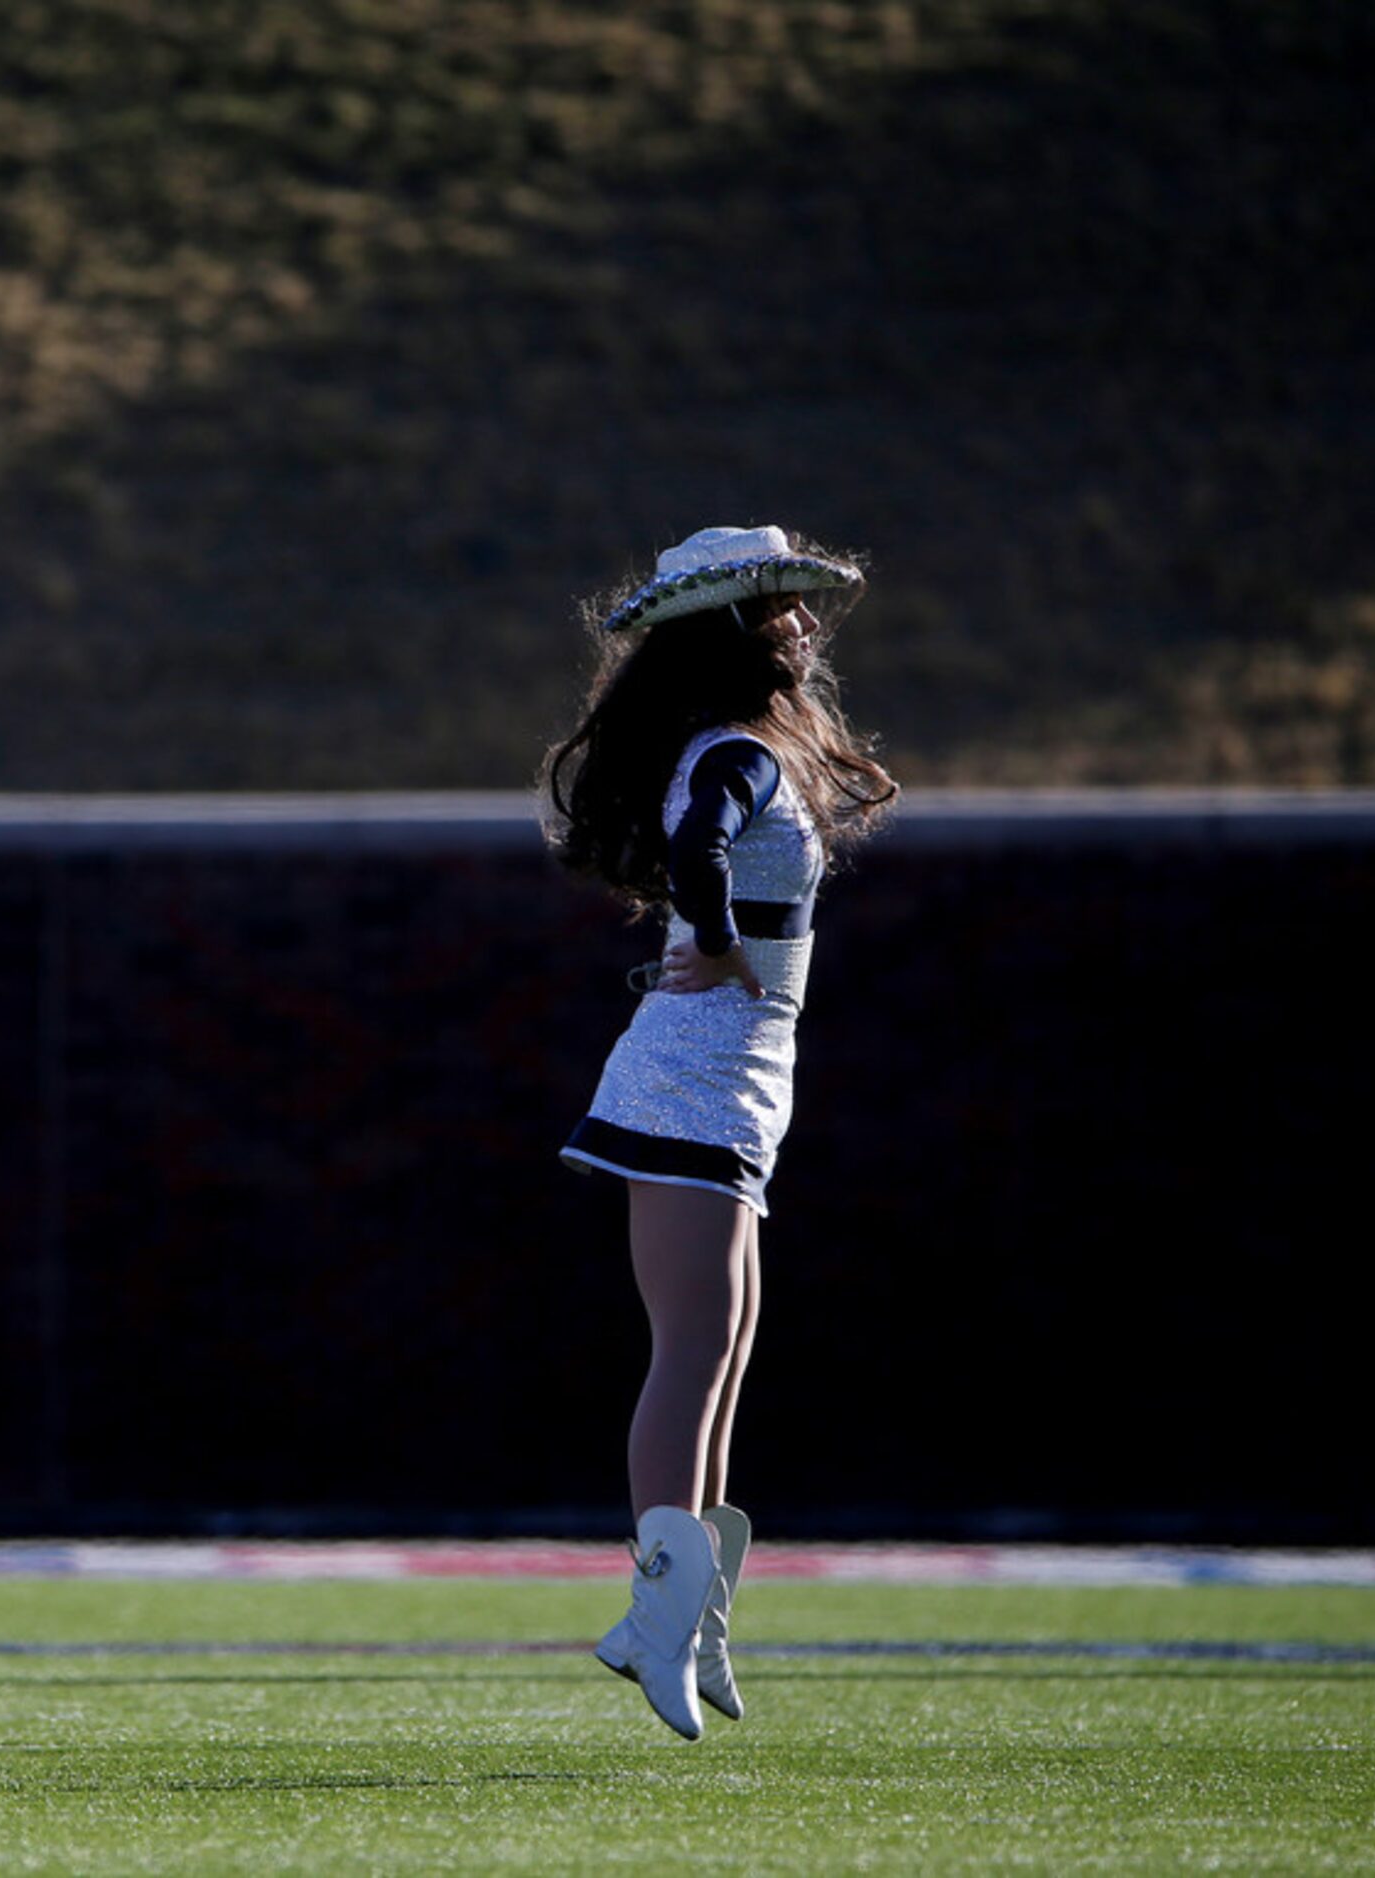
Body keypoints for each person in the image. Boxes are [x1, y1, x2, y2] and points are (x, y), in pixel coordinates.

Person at [541, 524, 898, 1740]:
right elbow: (698, 844)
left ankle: (692, 1621)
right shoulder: (733, 747)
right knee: (692, 1348)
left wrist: (726, 948)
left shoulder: (762, 746)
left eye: (797, 605)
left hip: (745, 1077)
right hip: (691, 1078)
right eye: (774, 610)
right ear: (727, 633)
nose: (799, 627)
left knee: (729, 1353)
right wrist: (715, 943)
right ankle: (650, 1618)